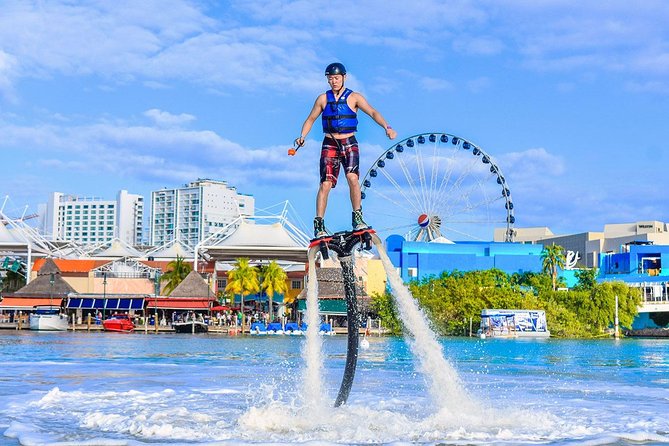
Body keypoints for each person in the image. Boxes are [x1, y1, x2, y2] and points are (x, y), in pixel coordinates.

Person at [295, 62, 397, 237]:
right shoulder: (322, 99)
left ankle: (357, 218)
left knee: (352, 178)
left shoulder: (354, 97)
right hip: (330, 142)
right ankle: (319, 224)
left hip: (349, 141)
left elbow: (372, 112)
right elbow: (311, 119)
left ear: (344, 77)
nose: (333, 81)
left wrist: (387, 127)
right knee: (325, 184)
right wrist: (302, 136)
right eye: (330, 79)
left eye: (336, 78)